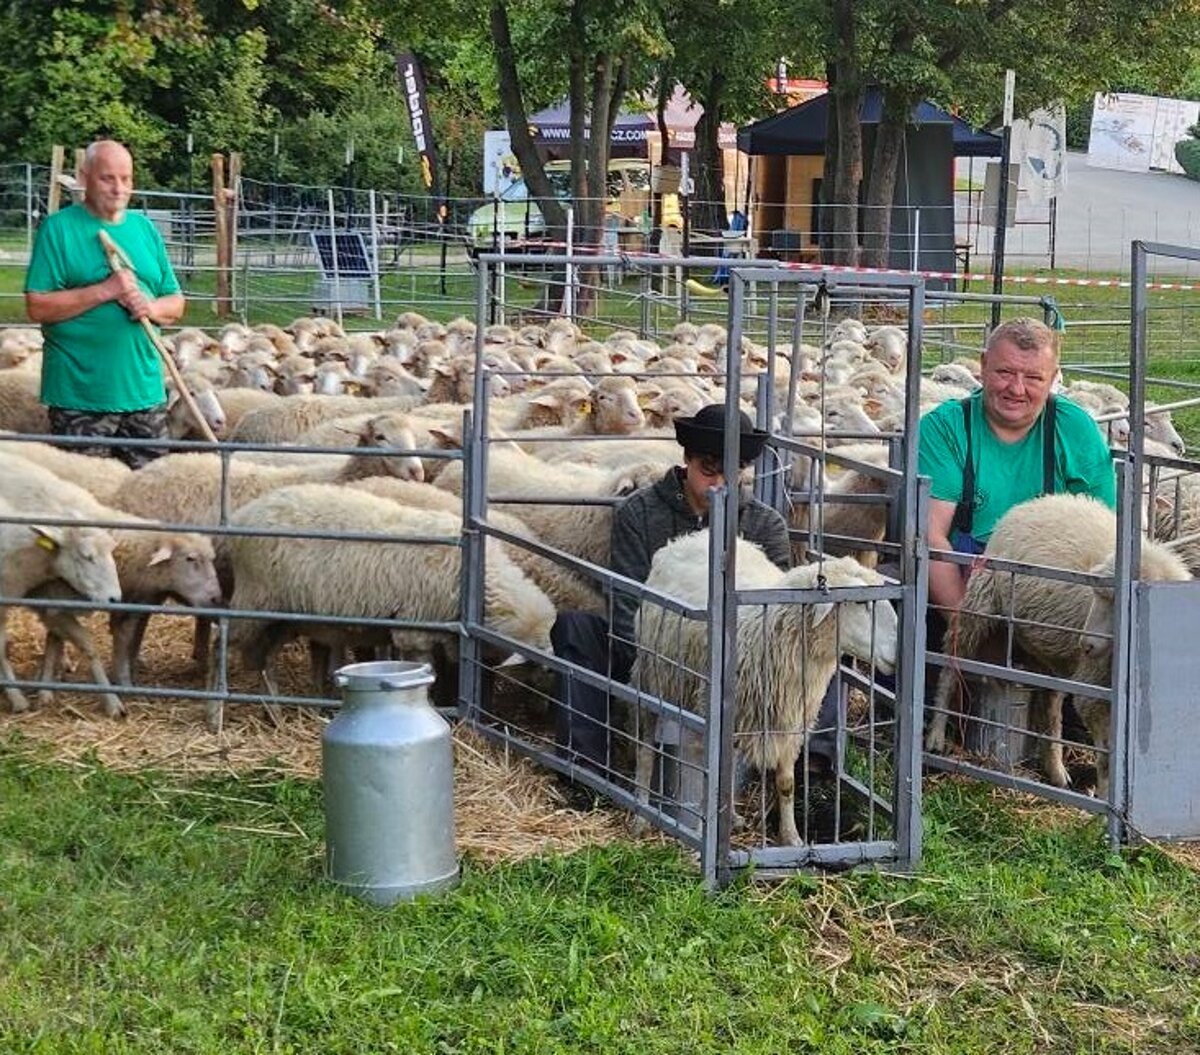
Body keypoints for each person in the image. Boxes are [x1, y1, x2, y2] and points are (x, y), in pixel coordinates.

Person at [551, 404, 791, 777]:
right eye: (709, 468)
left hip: (739, 666)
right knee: (576, 629)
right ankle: (586, 770)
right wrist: (660, 665)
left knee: (823, 644)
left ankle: (810, 780)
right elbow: (627, 596)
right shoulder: (640, 513)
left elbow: (779, 612)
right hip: (652, 654)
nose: (720, 483)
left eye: (734, 471)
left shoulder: (763, 524)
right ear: (687, 460)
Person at [920, 316, 1116, 618]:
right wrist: (964, 628)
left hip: (1054, 593)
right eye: (1004, 372)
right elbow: (932, 536)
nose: (1017, 388)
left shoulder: (1076, 429)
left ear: (1053, 379)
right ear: (983, 366)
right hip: (963, 586)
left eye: (1034, 378)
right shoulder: (944, 427)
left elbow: (1105, 534)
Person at [24, 139, 186, 469]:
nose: (118, 188)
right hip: (81, 396)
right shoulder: (59, 230)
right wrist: (106, 290)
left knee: (155, 496)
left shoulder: (144, 230)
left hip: (144, 392)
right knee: (86, 500)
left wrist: (151, 309)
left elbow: (176, 301)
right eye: (107, 178)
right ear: (84, 178)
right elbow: (37, 306)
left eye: (125, 179)